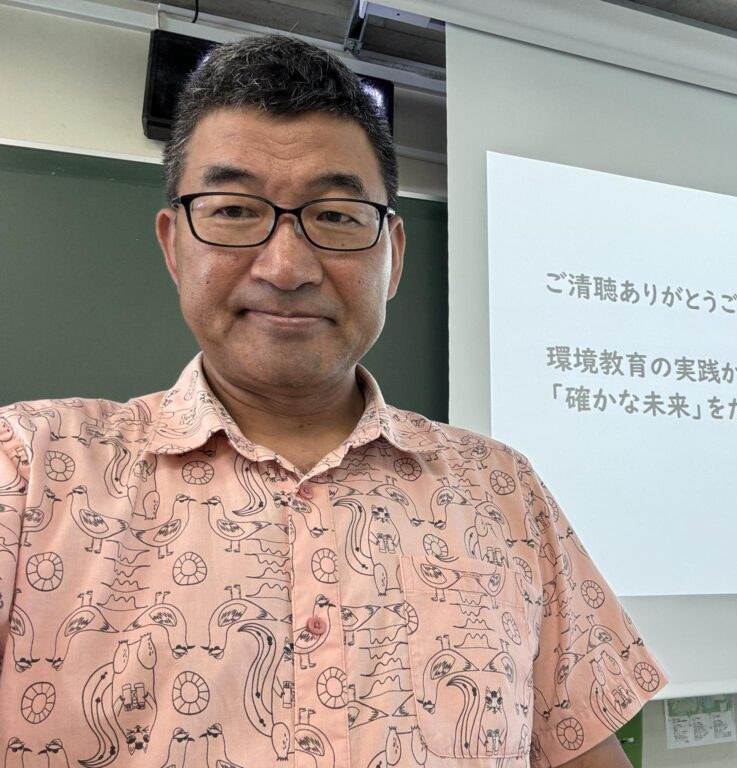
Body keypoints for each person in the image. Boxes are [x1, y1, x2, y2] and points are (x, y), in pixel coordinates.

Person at [0, 35, 665, 767]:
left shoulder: (503, 491)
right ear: (173, 246)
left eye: (338, 216)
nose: (286, 267)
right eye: (233, 210)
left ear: (394, 255)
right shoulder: (26, 471)